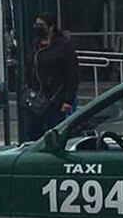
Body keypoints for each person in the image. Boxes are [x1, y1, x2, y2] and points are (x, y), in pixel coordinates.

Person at [21, 13, 79, 142]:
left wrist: (68, 100)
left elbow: (72, 74)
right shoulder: (36, 43)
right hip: (35, 99)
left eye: (41, 25)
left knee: (54, 131)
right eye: (36, 25)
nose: (37, 28)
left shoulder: (63, 45)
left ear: (51, 27)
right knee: (33, 132)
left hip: (56, 98)